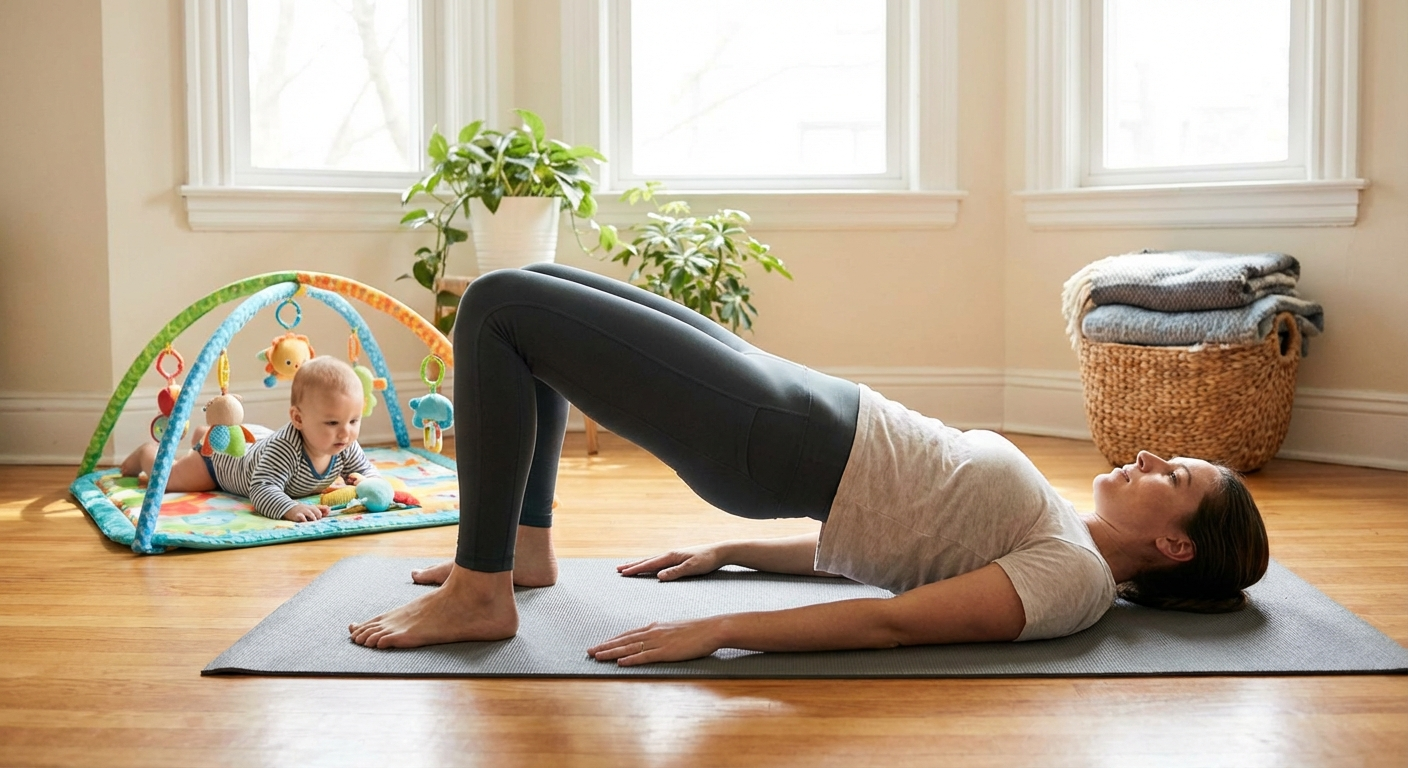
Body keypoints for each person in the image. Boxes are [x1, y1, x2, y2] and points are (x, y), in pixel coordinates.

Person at [348, 264, 1269, 664]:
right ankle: (524, 550)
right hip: (795, 404)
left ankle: (482, 589)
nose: (1152, 457)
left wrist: (723, 629)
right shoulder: (1066, 537)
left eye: (1174, 477)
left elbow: (897, 622)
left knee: (502, 309)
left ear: (1179, 550)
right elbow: (897, 545)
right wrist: (737, 556)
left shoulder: (1073, 581)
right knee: (530, 298)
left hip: (775, 435)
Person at [121, 356, 379, 523]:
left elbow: (366, 472)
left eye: (354, 421)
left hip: (256, 440)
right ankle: (148, 452)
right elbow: (261, 490)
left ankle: (207, 432)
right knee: (172, 480)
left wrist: (374, 485)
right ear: (298, 419)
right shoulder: (284, 451)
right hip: (224, 462)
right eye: (332, 423)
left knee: (250, 442)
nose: (346, 433)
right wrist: (289, 508)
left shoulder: (345, 445)